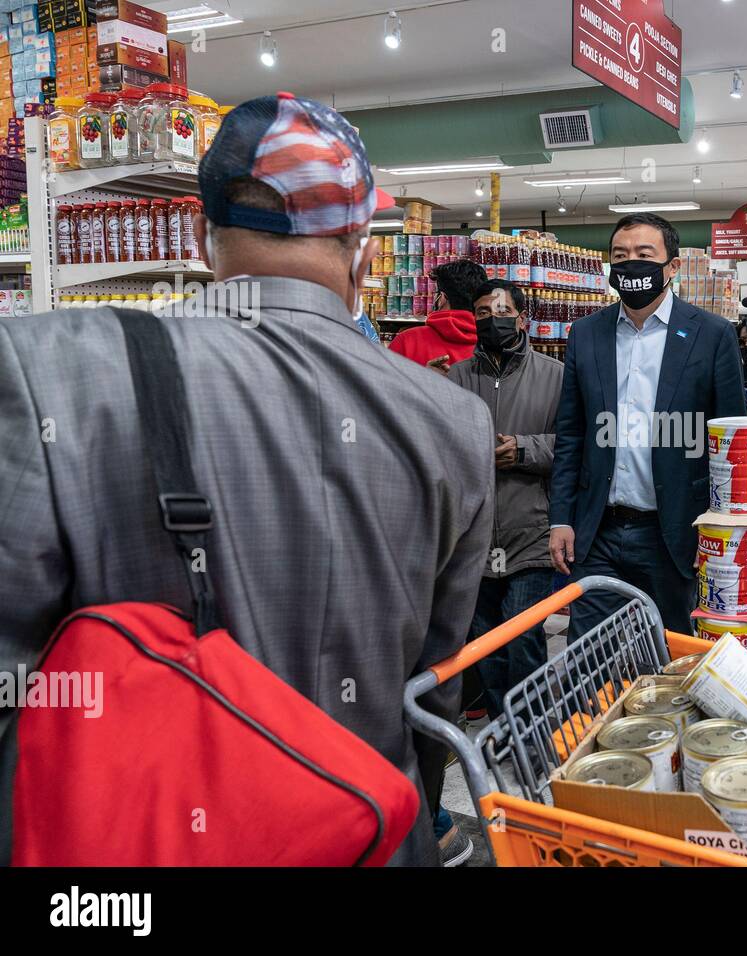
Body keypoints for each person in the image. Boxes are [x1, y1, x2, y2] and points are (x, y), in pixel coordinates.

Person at [0, 93, 495, 866]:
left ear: (201, 235)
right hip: (367, 835)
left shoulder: (50, 369)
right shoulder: (454, 422)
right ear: (363, 248)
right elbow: (430, 690)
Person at [549, 213, 747, 637]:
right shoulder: (586, 334)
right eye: (620, 256)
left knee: (665, 654)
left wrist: (721, 533)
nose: (631, 264)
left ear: (672, 267)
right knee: (590, 656)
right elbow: (571, 433)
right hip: (597, 529)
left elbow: (732, 442)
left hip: (673, 531)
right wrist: (561, 517)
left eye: (644, 254)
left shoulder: (710, 335)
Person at [448, 279, 563, 719]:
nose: (491, 320)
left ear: (522, 317)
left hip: (530, 528)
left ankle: (533, 730)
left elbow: (574, 447)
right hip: (473, 536)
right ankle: (501, 728)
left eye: (501, 311)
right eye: (481, 312)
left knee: (524, 640)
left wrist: (525, 449)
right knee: (485, 646)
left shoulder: (555, 377)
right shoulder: (456, 378)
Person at [389, 258, 486, 373]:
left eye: (435, 293)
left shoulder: (406, 341)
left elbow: (385, 388)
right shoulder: (496, 345)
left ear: (442, 298)